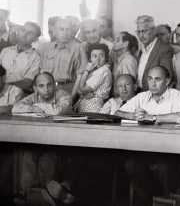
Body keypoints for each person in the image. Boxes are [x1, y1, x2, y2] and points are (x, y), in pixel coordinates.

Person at [115, 66, 180, 205]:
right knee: (131, 165)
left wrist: (152, 117)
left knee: (165, 168)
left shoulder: (176, 95)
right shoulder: (142, 97)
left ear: (167, 81)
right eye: (150, 79)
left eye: (157, 80)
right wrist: (132, 115)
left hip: (170, 149)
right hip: (146, 148)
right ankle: (148, 199)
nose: (152, 84)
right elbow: (117, 113)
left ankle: (165, 201)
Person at [14, 72, 74, 203]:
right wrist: (43, 108)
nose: (46, 89)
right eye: (41, 86)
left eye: (49, 85)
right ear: (35, 88)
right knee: (28, 156)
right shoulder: (33, 96)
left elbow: (59, 110)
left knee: (48, 158)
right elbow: (16, 108)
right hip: (39, 141)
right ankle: (30, 194)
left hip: (60, 143)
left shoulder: (63, 95)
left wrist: (36, 107)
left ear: (54, 85)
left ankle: (48, 193)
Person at [37, 18, 88, 98]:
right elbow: (41, 72)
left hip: (67, 89)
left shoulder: (78, 48)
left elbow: (80, 77)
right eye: (61, 29)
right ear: (54, 31)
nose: (65, 33)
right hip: (47, 89)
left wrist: (72, 97)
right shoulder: (46, 48)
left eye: (68, 29)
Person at [135, 15, 174, 92]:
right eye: (138, 32)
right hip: (139, 93)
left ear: (153, 30)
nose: (141, 35)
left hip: (154, 95)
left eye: (144, 31)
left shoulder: (164, 48)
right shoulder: (141, 50)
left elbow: (167, 76)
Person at [0, 22, 41, 92]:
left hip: (18, 97)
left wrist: (3, 86)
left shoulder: (36, 58)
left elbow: (27, 83)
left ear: (36, 39)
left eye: (29, 33)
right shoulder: (5, 51)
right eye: (23, 30)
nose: (24, 35)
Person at [76, 43, 112, 113]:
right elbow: (78, 89)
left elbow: (82, 89)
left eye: (101, 56)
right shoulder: (94, 70)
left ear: (106, 57)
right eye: (94, 56)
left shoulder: (102, 71)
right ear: (90, 58)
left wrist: (86, 71)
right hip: (86, 109)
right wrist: (84, 93)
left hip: (93, 109)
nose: (98, 60)